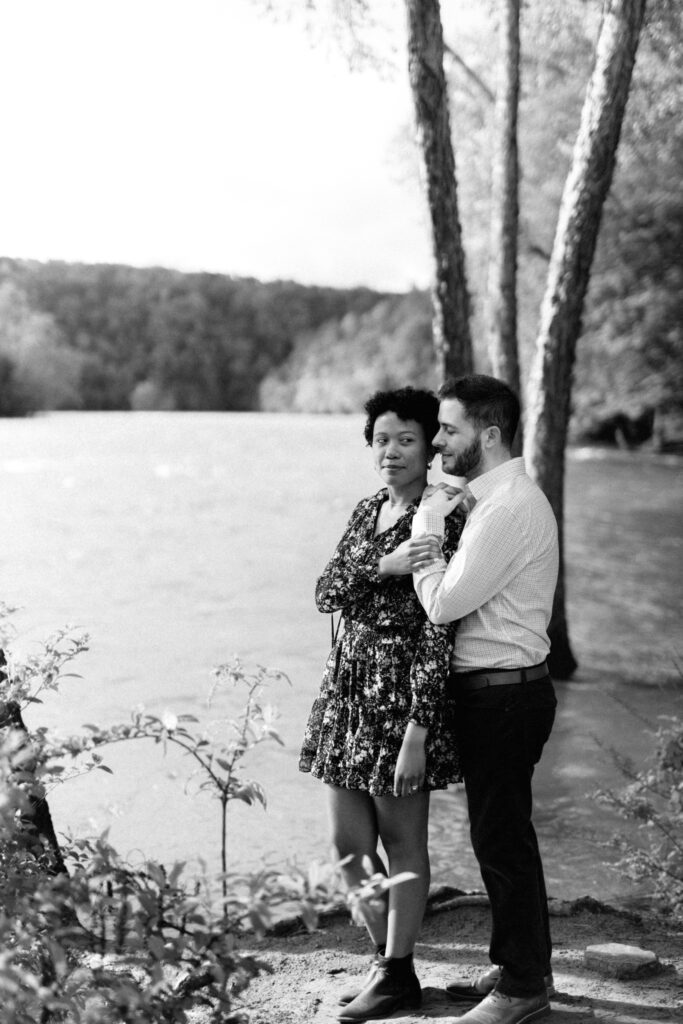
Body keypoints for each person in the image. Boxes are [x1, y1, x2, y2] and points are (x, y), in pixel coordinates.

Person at [299, 386, 465, 1024]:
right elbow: (325, 591)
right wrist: (384, 563)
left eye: (405, 440)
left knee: (402, 842)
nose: (391, 451)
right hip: (345, 694)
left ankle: (397, 972)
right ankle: (386, 966)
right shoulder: (370, 509)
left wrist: (418, 731)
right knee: (347, 845)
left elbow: (438, 627)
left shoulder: (439, 515)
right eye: (381, 440)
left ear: (429, 447)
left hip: (399, 700)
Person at [410, 374, 559, 1024]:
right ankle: (519, 967)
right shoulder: (495, 499)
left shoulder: (504, 509)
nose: (438, 440)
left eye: (448, 428)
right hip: (501, 694)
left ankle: (523, 988)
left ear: (488, 433)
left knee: (501, 839)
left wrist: (423, 532)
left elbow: (443, 604)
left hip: (502, 697)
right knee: (498, 835)